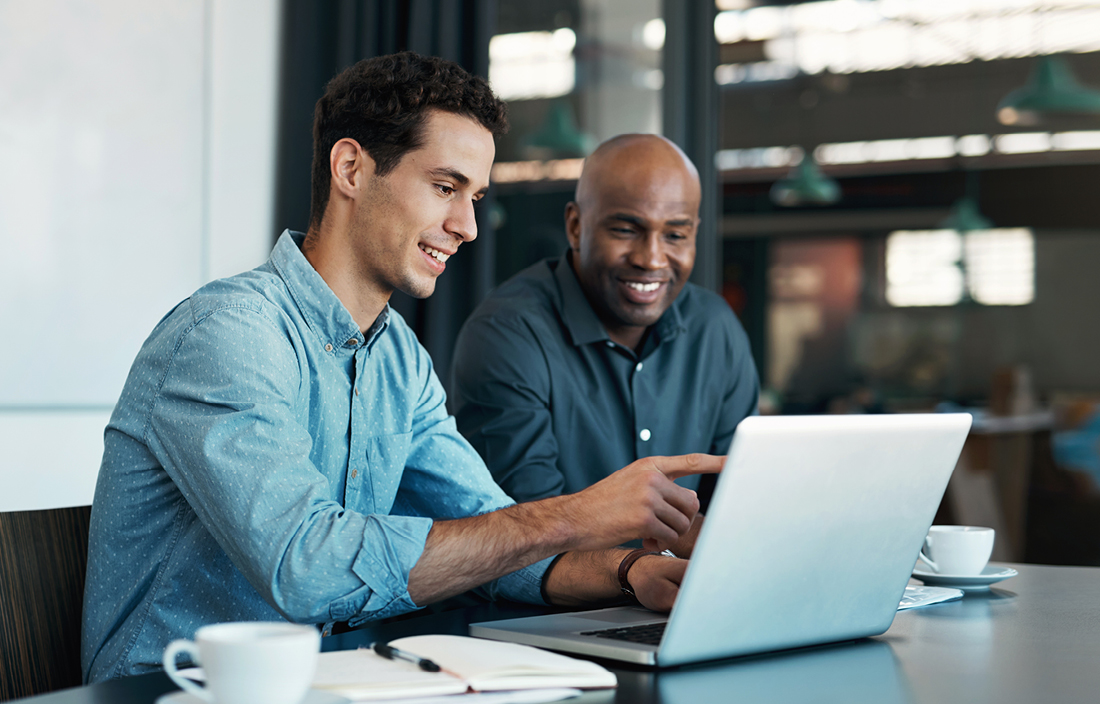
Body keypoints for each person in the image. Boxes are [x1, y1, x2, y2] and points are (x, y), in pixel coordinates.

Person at [81, 53, 720, 683]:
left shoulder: (398, 359)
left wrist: (630, 573)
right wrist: (576, 514)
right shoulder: (229, 336)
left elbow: (495, 540)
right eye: (445, 188)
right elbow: (308, 569)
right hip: (176, 691)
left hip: (335, 683)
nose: (466, 226)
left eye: (474, 196)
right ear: (352, 168)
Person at [450, 134, 759, 544]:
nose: (651, 259)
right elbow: (525, 532)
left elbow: (741, 504)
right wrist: (643, 569)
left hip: (689, 597)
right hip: (548, 609)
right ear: (576, 227)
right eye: (627, 229)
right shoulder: (507, 333)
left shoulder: (714, 328)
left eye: (675, 235)